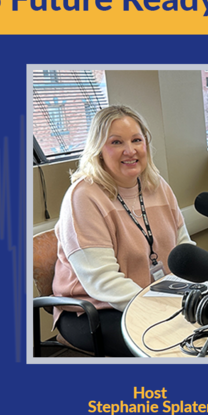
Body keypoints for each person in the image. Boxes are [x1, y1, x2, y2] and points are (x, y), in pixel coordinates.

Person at [51, 105, 191, 356]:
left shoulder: (156, 185)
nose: (130, 150)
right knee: (174, 346)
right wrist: (160, 308)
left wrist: (195, 292)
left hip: (156, 298)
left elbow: (184, 249)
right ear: (98, 149)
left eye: (136, 140)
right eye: (116, 142)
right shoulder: (83, 197)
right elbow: (103, 282)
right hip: (94, 311)